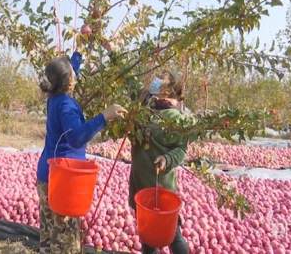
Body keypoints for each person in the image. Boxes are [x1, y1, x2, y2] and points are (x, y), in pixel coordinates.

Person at [37, 53, 127, 254]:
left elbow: (67, 71)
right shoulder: (66, 105)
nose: (76, 77)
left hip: (47, 174)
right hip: (63, 179)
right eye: (73, 74)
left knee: (49, 236)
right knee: (66, 242)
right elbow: (76, 137)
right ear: (68, 81)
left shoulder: (54, 98)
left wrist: (79, 51)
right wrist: (105, 116)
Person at [129, 70, 195, 254]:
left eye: (160, 81)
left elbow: (181, 149)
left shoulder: (175, 118)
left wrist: (167, 159)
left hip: (161, 187)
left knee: (172, 234)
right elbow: (131, 84)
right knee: (147, 236)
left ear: (167, 91)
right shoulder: (147, 107)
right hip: (140, 184)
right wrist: (111, 51)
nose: (155, 82)